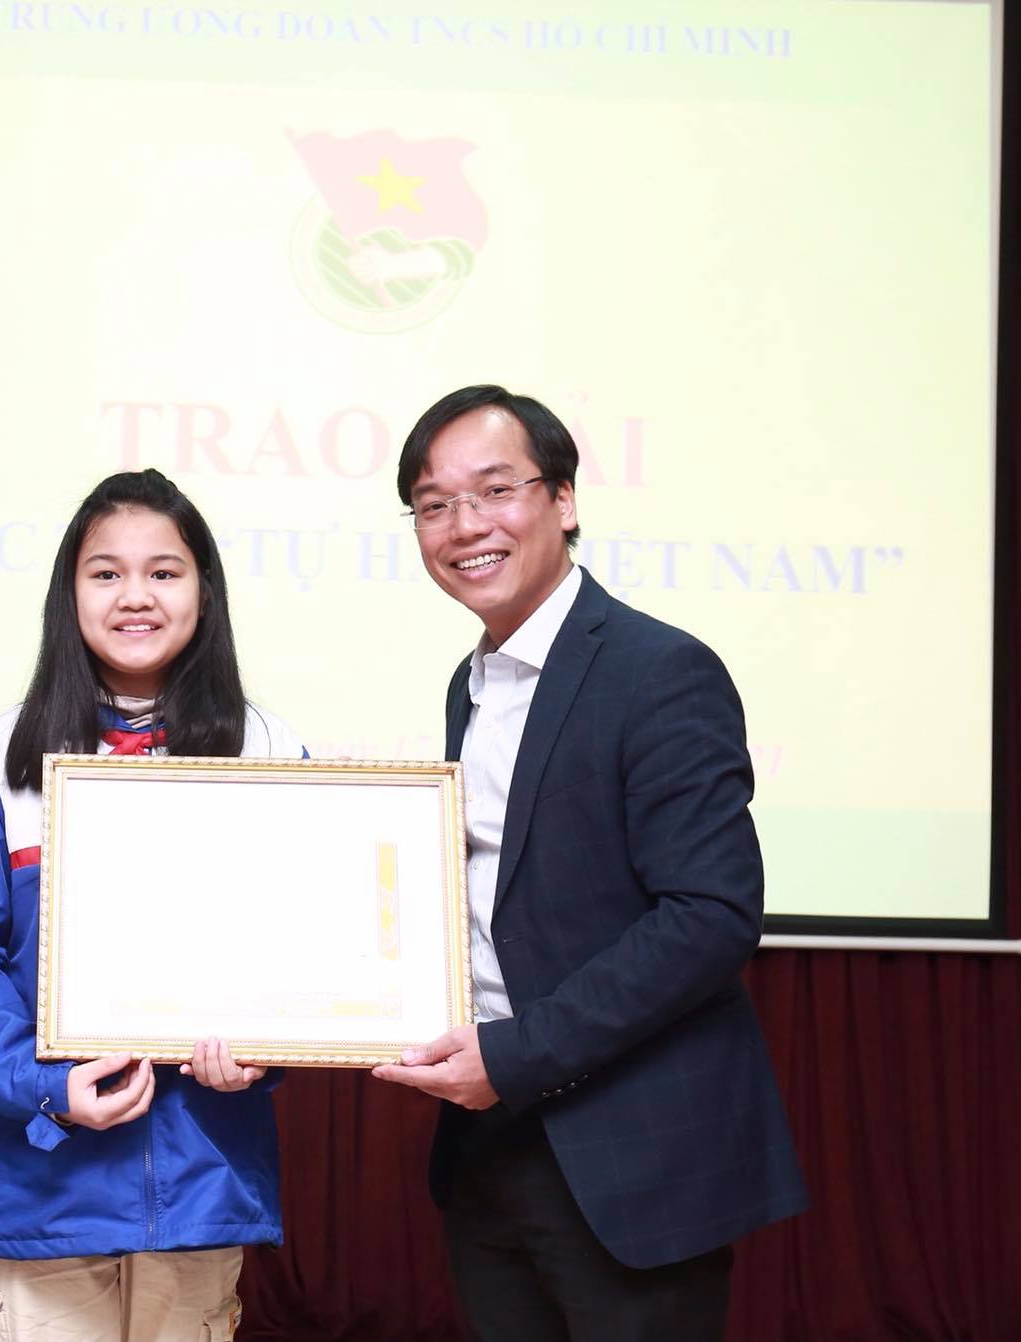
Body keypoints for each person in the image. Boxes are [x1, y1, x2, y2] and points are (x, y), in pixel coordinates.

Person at [369, 385, 806, 1340]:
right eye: (434, 505)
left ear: (563, 500)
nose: (464, 527)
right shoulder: (469, 686)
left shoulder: (659, 670)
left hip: (631, 1158)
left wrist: (516, 1056)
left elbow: (712, 917)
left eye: (495, 491)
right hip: (489, 1148)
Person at [0, 468, 300, 1342]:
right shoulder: (3, 753)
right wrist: (46, 1086)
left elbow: (300, 953)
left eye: (164, 572)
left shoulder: (268, 749)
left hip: (200, 1179)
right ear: (71, 592)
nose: (136, 596)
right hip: (36, 1180)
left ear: (205, 590)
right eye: (106, 573)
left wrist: (261, 1051)